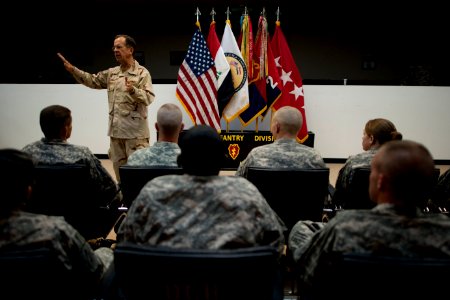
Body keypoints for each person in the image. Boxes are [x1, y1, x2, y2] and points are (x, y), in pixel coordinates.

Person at [289, 140, 450, 291]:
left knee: (300, 230)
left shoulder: (344, 228)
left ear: (380, 182)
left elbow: (310, 274)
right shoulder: (445, 234)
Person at [117, 125, 286, 254]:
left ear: (180, 160)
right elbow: (276, 241)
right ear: (222, 161)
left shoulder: (154, 190)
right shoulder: (246, 192)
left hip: (166, 287)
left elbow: (124, 238)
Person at [0, 148, 114, 298]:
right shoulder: (55, 232)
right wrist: (109, 251)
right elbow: (95, 274)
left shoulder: (29, 149)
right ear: (28, 191)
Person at [57, 34, 155, 182]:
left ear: (130, 50)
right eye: (114, 47)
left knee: (138, 174)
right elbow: (93, 80)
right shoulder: (112, 73)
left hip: (135, 136)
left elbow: (149, 98)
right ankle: (123, 201)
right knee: (120, 175)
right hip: (116, 134)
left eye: (119, 47)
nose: (115, 50)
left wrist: (134, 91)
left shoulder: (142, 73)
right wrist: (73, 70)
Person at [22, 104, 122, 209]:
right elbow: (111, 191)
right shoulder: (82, 155)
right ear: (65, 130)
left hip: (36, 217)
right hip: (78, 220)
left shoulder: (27, 153)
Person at [235, 106, 326, 178]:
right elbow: (323, 187)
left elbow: (239, 180)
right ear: (299, 128)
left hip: (264, 201)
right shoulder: (314, 156)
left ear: (277, 127)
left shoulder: (257, 154)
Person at [331, 118, 403, 208]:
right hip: (398, 217)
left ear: (371, 139)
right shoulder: (406, 163)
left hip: (355, 217)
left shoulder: (354, 161)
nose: (362, 137)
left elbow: (340, 193)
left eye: (364, 134)